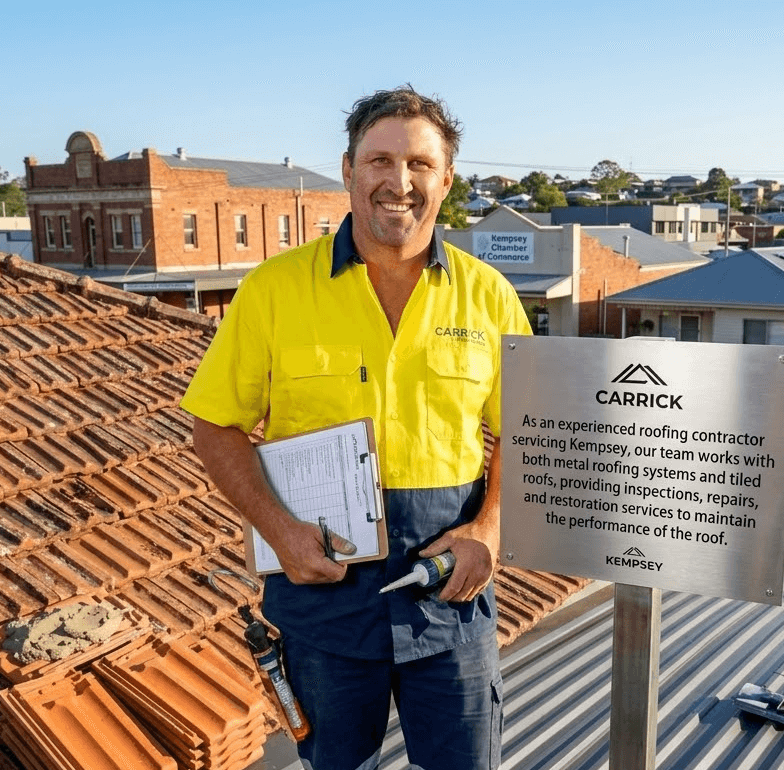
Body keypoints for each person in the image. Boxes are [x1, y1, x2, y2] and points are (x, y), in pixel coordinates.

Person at [181, 85, 532, 770]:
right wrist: (280, 531)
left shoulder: (489, 294)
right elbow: (215, 425)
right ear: (348, 170)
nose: (398, 182)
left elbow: (530, 434)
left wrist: (488, 531)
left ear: (447, 179)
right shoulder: (274, 290)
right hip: (322, 600)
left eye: (419, 164)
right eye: (378, 160)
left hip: (450, 596)